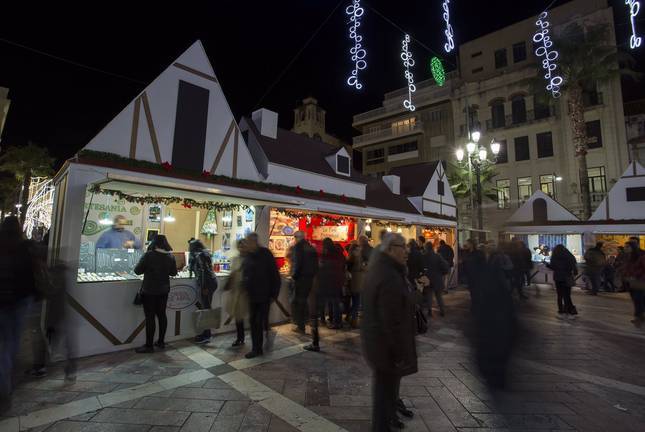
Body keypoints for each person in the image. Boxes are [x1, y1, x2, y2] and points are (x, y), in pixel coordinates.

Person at [361, 233, 417, 431]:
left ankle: (385, 423)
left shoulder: (380, 269)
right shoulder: (389, 276)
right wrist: (399, 352)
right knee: (385, 393)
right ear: (391, 249)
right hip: (385, 347)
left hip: (377, 343)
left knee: (384, 393)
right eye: (403, 247)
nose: (406, 251)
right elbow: (392, 320)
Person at [0, 216, 39, 413]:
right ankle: (6, 385)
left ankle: (5, 385)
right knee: (12, 344)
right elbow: (33, 275)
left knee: (6, 344)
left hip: (5, 302)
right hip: (21, 301)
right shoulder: (26, 248)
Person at [133, 235, 177, 353]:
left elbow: (137, 271)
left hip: (149, 291)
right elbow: (173, 273)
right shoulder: (170, 256)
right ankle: (161, 342)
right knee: (162, 315)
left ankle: (149, 346)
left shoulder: (149, 255)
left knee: (150, 317)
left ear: (154, 243)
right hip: (164, 291)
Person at [242, 232, 281, 359]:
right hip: (252, 295)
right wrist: (245, 288)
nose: (247, 244)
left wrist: (274, 294)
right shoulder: (248, 256)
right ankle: (257, 347)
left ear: (254, 242)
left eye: (249, 242)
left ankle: (257, 348)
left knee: (258, 322)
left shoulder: (265, 254)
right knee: (254, 322)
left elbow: (275, 275)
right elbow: (246, 273)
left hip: (264, 295)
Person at [290, 231, 318, 334]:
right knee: (305, 300)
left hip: (301, 278)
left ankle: (300, 326)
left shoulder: (298, 247)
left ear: (297, 237)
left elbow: (297, 263)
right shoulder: (310, 247)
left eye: (295, 237)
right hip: (309, 278)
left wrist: (294, 276)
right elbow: (316, 264)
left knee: (299, 302)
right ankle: (306, 321)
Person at [191, 240, 218, 344]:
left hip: (207, 284)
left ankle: (207, 335)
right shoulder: (204, 253)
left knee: (206, 309)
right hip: (211, 282)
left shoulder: (200, 255)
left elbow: (204, 272)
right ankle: (206, 333)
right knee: (205, 308)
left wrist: (204, 286)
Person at [225, 239, 250, 347]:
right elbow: (233, 273)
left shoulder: (250, 259)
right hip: (236, 290)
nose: (241, 248)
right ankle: (240, 338)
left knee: (245, 315)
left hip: (246, 291)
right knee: (238, 316)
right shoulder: (235, 259)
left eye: (243, 246)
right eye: (240, 246)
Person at [547, 244, 578, 317]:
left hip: (558, 278)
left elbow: (553, 267)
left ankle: (560, 309)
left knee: (559, 295)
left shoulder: (555, 257)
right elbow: (574, 267)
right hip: (567, 277)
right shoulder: (569, 256)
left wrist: (547, 265)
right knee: (567, 295)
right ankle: (568, 309)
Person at [422, 242, 449, 317]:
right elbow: (444, 265)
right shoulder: (437, 256)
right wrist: (442, 273)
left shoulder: (424, 256)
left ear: (426, 248)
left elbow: (422, 267)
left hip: (428, 279)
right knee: (439, 296)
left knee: (429, 295)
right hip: (437, 278)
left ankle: (429, 311)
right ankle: (442, 311)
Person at [621, 240, 645, 325]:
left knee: (638, 299)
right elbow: (627, 268)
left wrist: (636, 275)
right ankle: (640, 316)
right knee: (637, 299)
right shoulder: (629, 256)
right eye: (625, 247)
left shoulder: (641, 256)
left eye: (627, 247)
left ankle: (639, 317)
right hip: (631, 282)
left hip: (640, 281)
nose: (625, 248)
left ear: (633, 247)